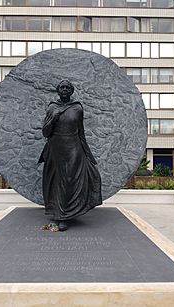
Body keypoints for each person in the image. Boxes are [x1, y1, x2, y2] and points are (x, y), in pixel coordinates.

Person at [39, 80, 102, 231]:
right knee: (59, 181)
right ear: (58, 90)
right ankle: (62, 216)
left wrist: (88, 153)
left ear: (72, 91)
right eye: (62, 87)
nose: (65, 89)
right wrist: (53, 117)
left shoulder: (77, 108)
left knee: (71, 180)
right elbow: (45, 132)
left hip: (74, 147)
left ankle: (70, 212)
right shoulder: (52, 107)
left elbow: (81, 132)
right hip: (56, 148)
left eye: (68, 87)